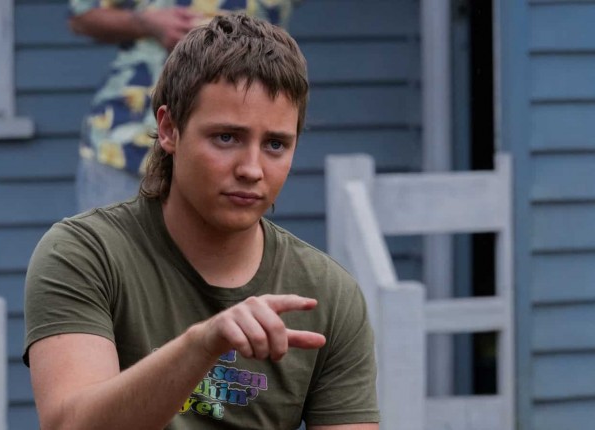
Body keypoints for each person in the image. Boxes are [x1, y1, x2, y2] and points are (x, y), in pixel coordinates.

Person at [24, 14, 380, 430]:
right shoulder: (85, 255)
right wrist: (202, 344)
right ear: (169, 129)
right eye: (226, 138)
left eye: (275, 145)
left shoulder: (327, 295)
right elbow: (70, 425)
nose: (252, 169)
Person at [69, 0, 297, 211]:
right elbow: (81, 16)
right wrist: (147, 22)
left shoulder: (252, 163)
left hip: (242, 142)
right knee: (109, 241)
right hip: (126, 140)